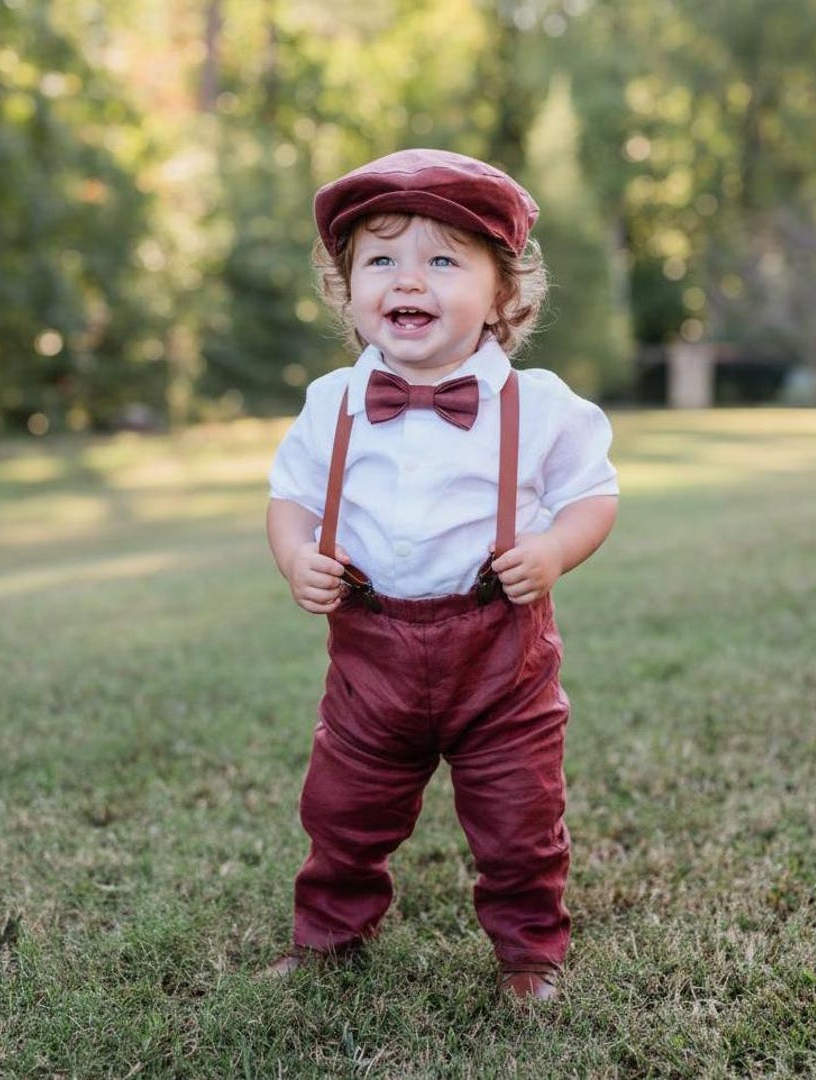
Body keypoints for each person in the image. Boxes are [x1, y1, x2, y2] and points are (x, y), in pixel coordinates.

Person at [264, 148, 619, 1002]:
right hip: (369, 660)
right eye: (379, 259)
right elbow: (290, 496)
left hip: (499, 661)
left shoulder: (539, 407)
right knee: (341, 811)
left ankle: (529, 955)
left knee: (520, 820)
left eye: (441, 260)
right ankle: (329, 935)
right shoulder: (332, 402)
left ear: (505, 293)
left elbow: (593, 495)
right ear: (347, 289)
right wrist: (295, 558)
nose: (406, 279)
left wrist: (555, 550)